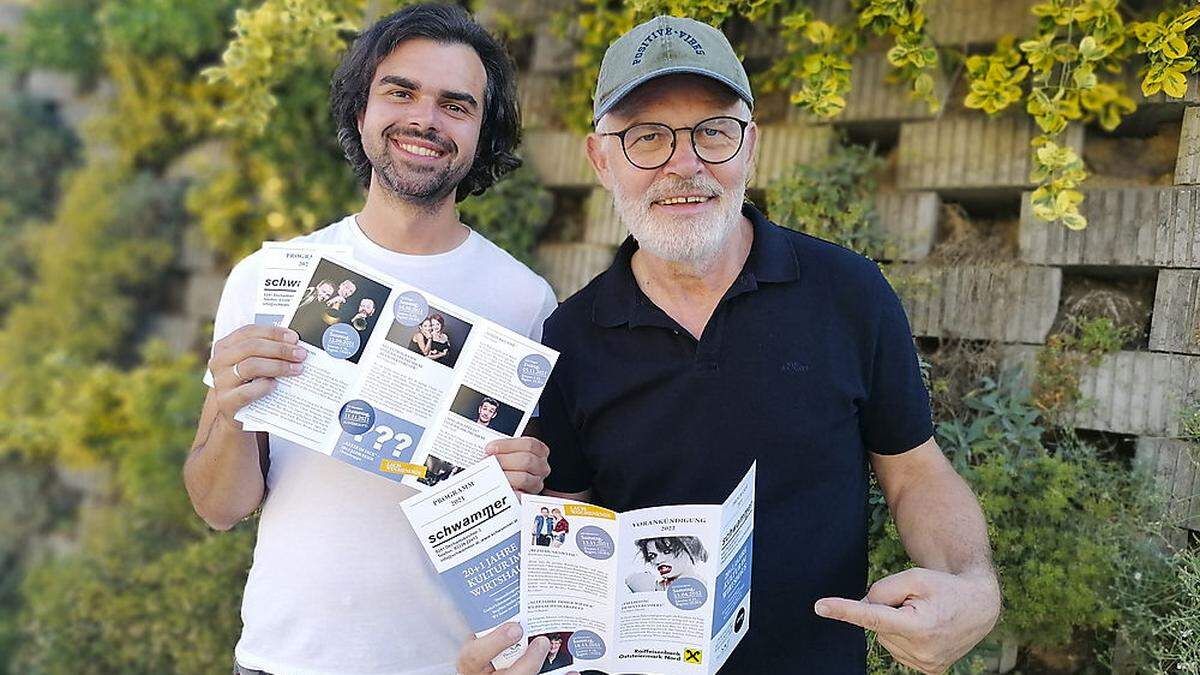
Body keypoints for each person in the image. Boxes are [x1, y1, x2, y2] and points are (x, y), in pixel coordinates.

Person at [457, 15, 1000, 675]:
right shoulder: (569, 337)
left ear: (751, 145)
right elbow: (567, 537)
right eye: (646, 137)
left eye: (713, 130)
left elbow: (915, 471)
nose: (685, 165)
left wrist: (972, 584)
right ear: (601, 158)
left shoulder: (848, 292)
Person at [183, 5, 559, 674]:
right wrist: (229, 408)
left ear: (481, 135)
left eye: (456, 104)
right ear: (362, 111)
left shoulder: (526, 301)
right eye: (401, 91)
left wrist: (520, 487)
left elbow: (530, 520)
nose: (425, 119)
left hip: (448, 664)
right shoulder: (270, 278)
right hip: (284, 660)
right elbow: (219, 507)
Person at [626, 536, 706, 592]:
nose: (658, 561)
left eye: (667, 551)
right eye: (652, 556)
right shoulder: (653, 586)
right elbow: (631, 580)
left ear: (688, 550)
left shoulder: (705, 587)